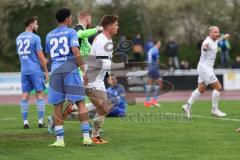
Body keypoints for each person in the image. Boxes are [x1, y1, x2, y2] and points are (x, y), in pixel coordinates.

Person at [45, 8, 92, 147]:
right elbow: (76, 51)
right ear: (67, 19)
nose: (71, 19)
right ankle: (86, 137)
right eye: (70, 17)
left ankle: (59, 140)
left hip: (55, 71)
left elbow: (49, 57)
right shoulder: (71, 32)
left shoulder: (49, 35)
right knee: (80, 103)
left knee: (57, 106)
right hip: (70, 69)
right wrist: (84, 71)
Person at [84, 15, 126, 144]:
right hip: (92, 79)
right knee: (104, 108)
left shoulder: (106, 40)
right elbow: (104, 63)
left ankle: (71, 110)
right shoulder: (103, 41)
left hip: (98, 79)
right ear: (108, 26)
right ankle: (94, 135)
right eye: (116, 25)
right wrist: (122, 65)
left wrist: (108, 76)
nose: (117, 27)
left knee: (102, 108)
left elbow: (103, 62)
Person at [182, 26, 227, 118]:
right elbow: (205, 45)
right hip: (204, 68)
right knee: (218, 87)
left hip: (206, 68)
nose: (217, 34)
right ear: (210, 33)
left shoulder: (216, 40)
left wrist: (224, 37)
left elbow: (219, 38)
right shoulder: (207, 42)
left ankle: (187, 106)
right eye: (215, 32)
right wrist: (205, 47)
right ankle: (214, 109)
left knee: (200, 90)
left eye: (218, 32)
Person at [16, 16, 48, 129]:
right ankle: (40, 121)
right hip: (35, 70)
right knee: (39, 94)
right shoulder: (35, 38)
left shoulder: (18, 38)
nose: (37, 25)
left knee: (25, 95)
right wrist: (46, 71)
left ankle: (25, 122)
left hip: (24, 70)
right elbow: (41, 57)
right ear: (31, 25)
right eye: (36, 23)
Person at [144, 40, 162, 108]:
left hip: (150, 68)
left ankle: (147, 102)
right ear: (157, 43)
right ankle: (154, 100)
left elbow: (148, 59)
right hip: (154, 68)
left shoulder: (151, 50)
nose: (160, 45)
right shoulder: (156, 50)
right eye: (160, 43)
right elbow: (157, 60)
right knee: (160, 84)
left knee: (150, 85)